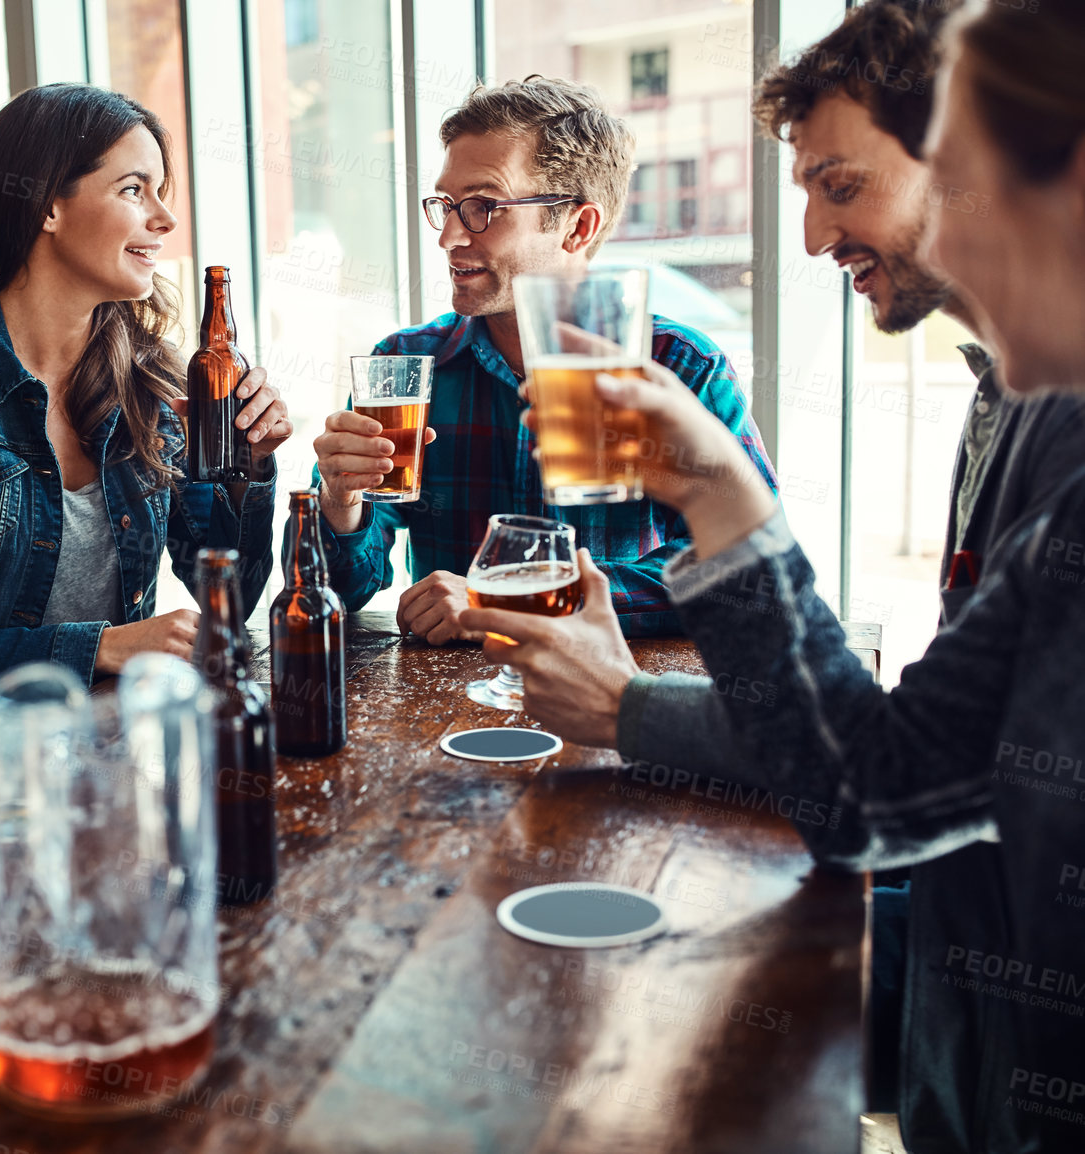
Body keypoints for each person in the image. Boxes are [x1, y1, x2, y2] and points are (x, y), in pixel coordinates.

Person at [460, 0, 1085, 1147]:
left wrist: (716, 506)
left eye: (840, 184)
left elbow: (877, 793)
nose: (805, 236)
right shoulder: (1018, 396)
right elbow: (914, 777)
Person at [0, 83, 289, 778]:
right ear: (49, 204)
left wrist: (250, 471)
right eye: (135, 189)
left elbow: (227, 599)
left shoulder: (157, 385)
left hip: (112, 759)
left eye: (161, 190)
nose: (165, 217)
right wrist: (102, 648)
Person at [306, 76, 775, 643]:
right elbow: (343, 587)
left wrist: (515, 599)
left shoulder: (679, 365)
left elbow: (745, 567)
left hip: (615, 696)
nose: (450, 236)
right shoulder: (406, 363)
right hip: (452, 703)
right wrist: (340, 501)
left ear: (578, 226)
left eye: (483, 206)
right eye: (447, 206)